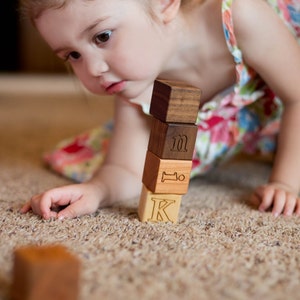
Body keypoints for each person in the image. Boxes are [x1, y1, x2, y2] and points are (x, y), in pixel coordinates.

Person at [19, 0, 300, 220]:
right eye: (73, 55)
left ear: (164, 2)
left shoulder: (242, 16)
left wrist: (285, 183)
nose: (94, 70)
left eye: (102, 36)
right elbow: (127, 168)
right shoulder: (132, 83)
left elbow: (297, 98)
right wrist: (96, 191)